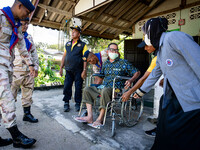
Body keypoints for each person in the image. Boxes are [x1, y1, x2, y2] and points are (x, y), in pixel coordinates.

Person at [133, 17, 200, 150]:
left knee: (186, 134)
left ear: (152, 32)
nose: (145, 38)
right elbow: (154, 74)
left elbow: (197, 61)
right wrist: (141, 92)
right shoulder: (160, 51)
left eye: (145, 34)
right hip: (174, 95)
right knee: (165, 126)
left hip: (190, 98)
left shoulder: (174, 37)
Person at [75, 43, 140, 127]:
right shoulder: (106, 64)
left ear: (117, 52)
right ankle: (89, 117)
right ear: (108, 51)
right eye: (112, 50)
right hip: (105, 86)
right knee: (87, 89)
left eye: (115, 50)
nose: (113, 51)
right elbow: (101, 76)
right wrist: (94, 85)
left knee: (105, 90)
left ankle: (100, 119)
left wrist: (131, 80)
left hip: (116, 88)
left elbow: (137, 72)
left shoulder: (123, 63)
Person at [0, 0, 36, 148]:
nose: (26, 16)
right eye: (26, 12)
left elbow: (22, 48)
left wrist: (31, 65)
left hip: (8, 67)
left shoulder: (16, 26)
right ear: (19, 5)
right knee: (7, 98)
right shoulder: (1, 17)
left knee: (1, 102)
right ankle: (17, 137)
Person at [121, 43, 163, 137]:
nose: (145, 48)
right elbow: (151, 77)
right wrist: (140, 92)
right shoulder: (158, 57)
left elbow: (144, 78)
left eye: (147, 45)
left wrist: (130, 92)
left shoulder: (158, 57)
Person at [11, 17, 39, 123]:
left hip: (29, 71)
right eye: (23, 23)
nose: (25, 26)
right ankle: (9, 117)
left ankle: (27, 114)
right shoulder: (13, 34)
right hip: (15, 70)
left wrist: (35, 68)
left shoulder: (29, 37)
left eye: (27, 24)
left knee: (28, 93)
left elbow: (34, 53)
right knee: (10, 95)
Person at [59, 26, 88, 112]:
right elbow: (64, 56)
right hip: (68, 69)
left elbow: (85, 58)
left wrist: (84, 70)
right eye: (72, 31)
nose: (72, 33)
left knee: (78, 87)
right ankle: (66, 103)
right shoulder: (67, 44)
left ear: (79, 34)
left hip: (78, 70)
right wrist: (61, 67)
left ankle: (78, 104)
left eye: (75, 31)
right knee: (67, 86)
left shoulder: (83, 45)